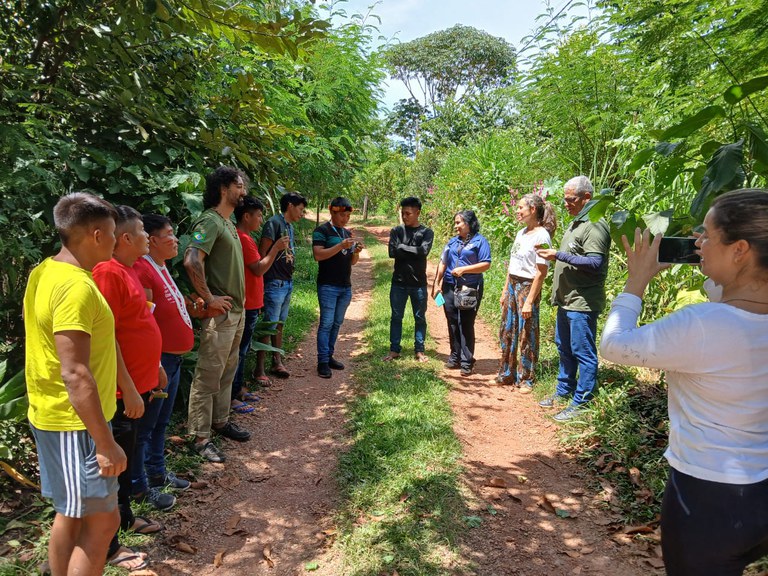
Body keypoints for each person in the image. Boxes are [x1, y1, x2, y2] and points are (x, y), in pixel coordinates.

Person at [600, 188, 768, 576]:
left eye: (707, 236)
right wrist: (722, 267)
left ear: (740, 249)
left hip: (708, 498)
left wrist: (636, 282)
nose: (698, 244)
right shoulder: (729, 316)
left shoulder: (701, 325)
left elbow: (614, 345)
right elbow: (735, 295)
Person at [23, 193, 135, 575]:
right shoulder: (76, 288)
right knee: (103, 522)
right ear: (98, 234)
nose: (118, 241)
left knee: (71, 515)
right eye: (116, 234)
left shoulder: (46, 271)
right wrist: (105, 443)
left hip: (63, 418)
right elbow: (74, 371)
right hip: (75, 425)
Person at [92, 206, 169, 568]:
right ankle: (110, 545)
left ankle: (124, 519)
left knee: (126, 460)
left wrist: (154, 368)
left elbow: (137, 324)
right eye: (141, 231)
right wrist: (130, 388)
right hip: (124, 394)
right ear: (125, 238)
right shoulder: (108, 273)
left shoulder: (126, 271)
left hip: (140, 385)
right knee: (115, 467)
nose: (146, 237)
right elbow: (106, 338)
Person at [184, 166, 251, 463]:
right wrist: (208, 298)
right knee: (208, 375)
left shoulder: (228, 223)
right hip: (220, 315)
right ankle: (199, 437)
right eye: (239, 185)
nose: (244, 191)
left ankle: (220, 421)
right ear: (224, 188)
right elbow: (191, 259)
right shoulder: (209, 221)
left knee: (226, 372)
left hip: (237, 312)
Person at [536, 175, 610, 421]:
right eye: (565, 199)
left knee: (582, 351)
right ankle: (563, 391)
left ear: (586, 197)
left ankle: (582, 401)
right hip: (567, 300)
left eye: (571, 199)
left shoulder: (595, 224)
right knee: (564, 348)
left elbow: (595, 263)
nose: (566, 204)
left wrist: (559, 255)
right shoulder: (576, 222)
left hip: (582, 302)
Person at [133, 214, 194, 491]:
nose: (175, 239)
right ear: (153, 240)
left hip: (173, 360)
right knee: (146, 426)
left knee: (162, 421)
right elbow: (143, 322)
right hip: (160, 362)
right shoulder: (143, 271)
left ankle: (157, 472)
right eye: (169, 234)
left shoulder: (161, 266)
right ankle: (142, 483)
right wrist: (155, 362)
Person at [231, 196, 289, 408]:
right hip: (247, 304)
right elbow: (258, 268)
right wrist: (275, 249)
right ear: (246, 216)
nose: (260, 219)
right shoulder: (243, 239)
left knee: (242, 349)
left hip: (252, 302)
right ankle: (233, 394)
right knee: (240, 350)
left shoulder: (244, 237)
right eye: (258, 215)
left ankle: (237, 389)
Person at [496, 194, 557, 392]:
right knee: (507, 330)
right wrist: (505, 290)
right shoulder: (521, 233)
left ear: (533, 209)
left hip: (528, 287)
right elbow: (512, 264)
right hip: (513, 284)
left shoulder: (542, 236)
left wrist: (530, 300)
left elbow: (541, 272)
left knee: (526, 332)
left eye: (521, 207)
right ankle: (506, 373)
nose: (518, 210)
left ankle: (526, 378)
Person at [431, 210, 491, 376]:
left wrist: (464, 270)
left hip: (469, 288)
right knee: (452, 321)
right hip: (449, 287)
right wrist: (436, 283)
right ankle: (455, 355)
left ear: (469, 223)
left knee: (465, 323)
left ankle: (467, 360)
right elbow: (443, 262)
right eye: (455, 223)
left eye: (459, 223)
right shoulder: (452, 242)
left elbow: (486, 264)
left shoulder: (480, 241)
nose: (456, 226)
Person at [257, 190, 308, 380]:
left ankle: (277, 362)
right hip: (274, 282)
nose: (302, 214)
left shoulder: (289, 226)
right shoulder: (273, 223)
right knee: (269, 324)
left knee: (279, 324)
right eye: (300, 209)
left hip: (286, 282)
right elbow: (262, 254)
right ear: (290, 206)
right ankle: (259, 369)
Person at [312, 197, 364, 378]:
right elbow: (318, 255)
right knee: (326, 323)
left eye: (348, 215)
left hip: (345, 285)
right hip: (327, 285)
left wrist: (355, 252)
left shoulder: (347, 233)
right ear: (333, 212)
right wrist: (340, 245)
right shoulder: (322, 231)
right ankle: (322, 361)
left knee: (336, 323)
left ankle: (329, 355)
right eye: (342, 215)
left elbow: (352, 262)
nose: (345, 219)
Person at [384, 196, 434, 363]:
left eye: (408, 213)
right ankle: (394, 349)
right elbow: (392, 252)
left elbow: (424, 251)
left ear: (418, 213)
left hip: (418, 283)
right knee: (396, 317)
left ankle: (419, 350)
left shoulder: (427, 232)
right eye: (403, 213)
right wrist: (414, 250)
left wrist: (402, 247)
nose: (405, 217)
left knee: (419, 317)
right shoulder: (397, 231)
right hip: (398, 282)